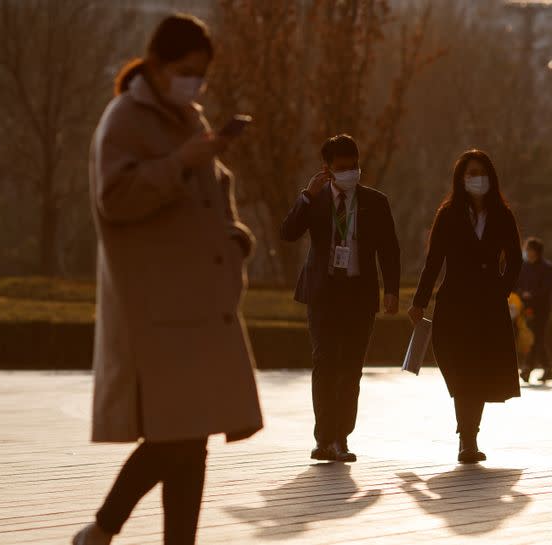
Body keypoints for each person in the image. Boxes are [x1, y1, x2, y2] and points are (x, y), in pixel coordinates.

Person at [75, 14, 263, 545]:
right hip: (158, 307)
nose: (194, 84)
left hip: (197, 305)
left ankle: (131, 536)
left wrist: (234, 239)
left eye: (201, 75)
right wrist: (179, 161)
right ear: (156, 65)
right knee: (176, 434)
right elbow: (115, 197)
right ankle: (102, 528)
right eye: (186, 71)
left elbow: (212, 196)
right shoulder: (124, 119)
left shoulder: (189, 116)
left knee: (190, 434)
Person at [281, 134, 400, 463]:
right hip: (323, 294)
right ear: (328, 169)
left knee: (350, 369)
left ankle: (341, 438)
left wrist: (391, 289)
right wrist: (307, 196)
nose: (350, 173)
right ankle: (324, 438)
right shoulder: (315, 200)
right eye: (342, 168)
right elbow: (288, 233)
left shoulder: (375, 202)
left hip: (359, 296)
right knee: (324, 363)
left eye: (354, 167)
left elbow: (389, 249)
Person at [408, 149, 522, 464]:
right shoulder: (448, 214)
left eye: (481, 172)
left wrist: (501, 289)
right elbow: (433, 262)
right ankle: (466, 430)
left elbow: (514, 260)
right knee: (457, 367)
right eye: (470, 173)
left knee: (478, 370)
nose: (476, 179)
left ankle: (468, 438)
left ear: (491, 177)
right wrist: (419, 300)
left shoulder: (502, 214)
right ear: (461, 179)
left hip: (487, 305)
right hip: (454, 303)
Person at [516, 237, 552, 383]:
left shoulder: (547, 268)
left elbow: (546, 289)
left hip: (542, 309)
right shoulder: (524, 267)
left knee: (537, 337)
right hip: (527, 308)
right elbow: (517, 284)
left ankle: (528, 368)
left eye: (530, 250)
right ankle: (546, 369)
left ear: (537, 252)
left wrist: (532, 294)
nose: (528, 252)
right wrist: (522, 294)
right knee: (536, 338)